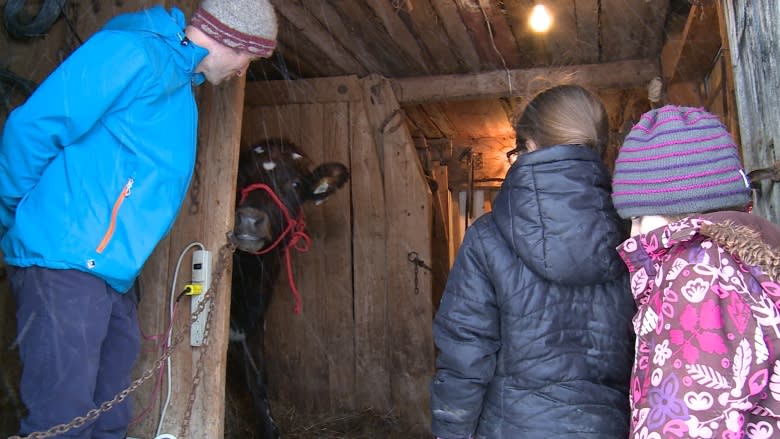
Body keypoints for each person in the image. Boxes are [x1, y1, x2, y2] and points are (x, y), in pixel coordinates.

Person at [0, 0, 278, 437]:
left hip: (111, 279)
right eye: (249, 57)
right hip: (65, 265)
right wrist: (20, 217)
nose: (245, 70)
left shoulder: (181, 88)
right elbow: (31, 127)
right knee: (61, 423)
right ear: (230, 38)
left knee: (109, 420)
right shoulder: (134, 53)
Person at [429, 84, 635, 438]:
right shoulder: (634, 235)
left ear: (533, 145)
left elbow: (465, 357)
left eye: (519, 148)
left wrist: (452, 432)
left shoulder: (487, 237)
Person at [611, 105, 780, 438]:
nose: (633, 235)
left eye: (636, 218)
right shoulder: (747, 256)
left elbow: (688, 419)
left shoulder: (698, 278)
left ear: (673, 208)